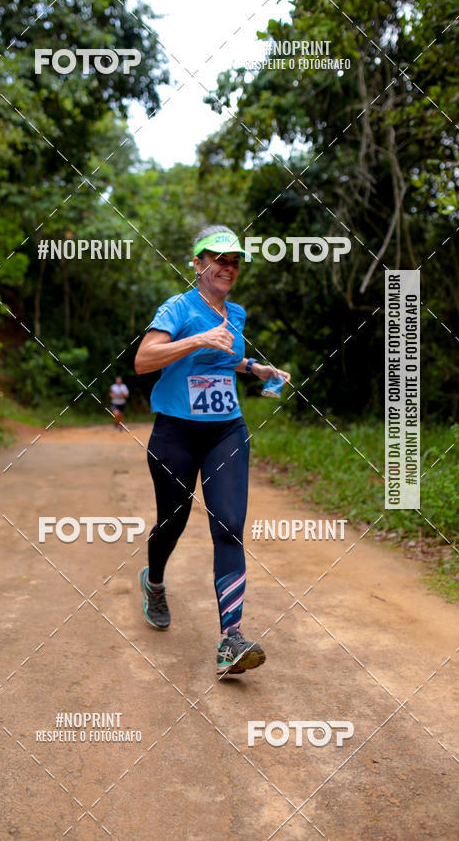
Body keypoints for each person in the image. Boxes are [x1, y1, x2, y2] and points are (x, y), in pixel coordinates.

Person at [133, 225, 290, 675]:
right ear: (198, 263)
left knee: (229, 525)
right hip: (176, 434)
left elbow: (226, 358)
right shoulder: (176, 308)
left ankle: (231, 641)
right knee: (173, 521)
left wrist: (256, 368)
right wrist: (199, 338)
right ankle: (155, 582)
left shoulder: (235, 313)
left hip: (226, 432)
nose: (227, 267)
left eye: (234, 261)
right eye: (218, 258)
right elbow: (145, 360)